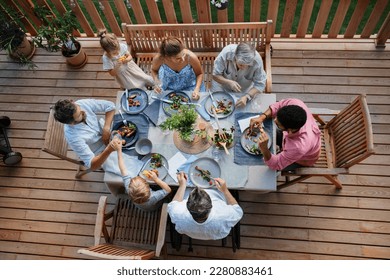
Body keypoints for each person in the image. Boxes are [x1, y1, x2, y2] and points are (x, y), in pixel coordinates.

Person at [53, 99, 142, 176]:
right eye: (80, 115)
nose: (83, 112)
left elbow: (110, 106)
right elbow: (92, 165)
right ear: (71, 123)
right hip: (99, 151)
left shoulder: (81, 104)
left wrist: (106, 128)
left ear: (72, 102)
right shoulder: (73, 138)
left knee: (138, 129)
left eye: (79, 109)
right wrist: (108, 149)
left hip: (105, 130)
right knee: (131, 168)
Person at [249, 98, 321, 171]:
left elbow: (276, 164)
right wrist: (262, 117)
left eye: (278, 124)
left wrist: (264, 148)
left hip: (303, 159)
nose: (274, 120)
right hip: (299, 141)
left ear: (290, 129)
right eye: (277, 116)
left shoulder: (298, 147)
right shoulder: (295, 103)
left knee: (266, 168)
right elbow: (278, 105)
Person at [167, 172, 243, 240]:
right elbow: (237, 209)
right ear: (211, 205)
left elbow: (174, 204)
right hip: (215, 234)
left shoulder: (177, 214)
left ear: (187, 206)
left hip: (192, 233)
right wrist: (225, 190)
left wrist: (182, 186)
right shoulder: (225, 216)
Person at [115, 142, 171, 211]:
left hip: (139, 206)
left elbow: (122, 168)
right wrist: (156, 179)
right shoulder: (152, 197)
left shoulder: (128, 187)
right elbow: (168, 190)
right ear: (148, 187)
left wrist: (119, 150)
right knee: (167, 198)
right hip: (152, 207)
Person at [211, 42, 267, 107]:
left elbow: (260, 84)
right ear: (235, 57)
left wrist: (247, 96)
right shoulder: (226, 53)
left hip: (245, 91)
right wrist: (228, 82)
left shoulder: (257, 61)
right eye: (241, 65)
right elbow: (215, 75)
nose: (244, 68)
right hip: (221, 87)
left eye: (248, 66)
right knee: (216, 107)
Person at [151, 36, 205, 100]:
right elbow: (154, 70)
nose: (182, 59)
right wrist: (157, 82)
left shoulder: (190, 57)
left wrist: (197, 89)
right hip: (168, 86)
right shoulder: (159, 58)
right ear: (167, 57)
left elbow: (199, 74)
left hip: (189, 85)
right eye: (178, 58)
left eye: (183, 54)